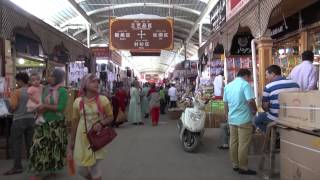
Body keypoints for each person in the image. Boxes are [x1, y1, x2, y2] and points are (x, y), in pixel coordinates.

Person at [69, 74, 113, 180]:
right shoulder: (77, 102)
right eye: (93, 81)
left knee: (95, 167)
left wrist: (101, 124)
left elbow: (111, 117)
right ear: (85, 84)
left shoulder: (103, 100)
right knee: (81, 169)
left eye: (97, 81)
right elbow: (74, 122)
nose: (97, 83)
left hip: (96, 138)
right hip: (82, 138)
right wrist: (72, 141)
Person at [29, 69, 68, 180]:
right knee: (38, 146)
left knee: (54, 147)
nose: (48, 78)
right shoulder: (45, 89)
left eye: (51, 76)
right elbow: (40, 102)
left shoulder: (62, 91)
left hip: (56, 124)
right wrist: (37, 108)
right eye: (48, 76)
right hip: (42, 122)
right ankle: (38, 171)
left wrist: (45, 106)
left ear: (58, 78)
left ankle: (52, 170)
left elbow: (61, 107)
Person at [223, 69, 258, 175]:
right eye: (250, 77)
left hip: (232, 119)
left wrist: (227, 116)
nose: (250, 79)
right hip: (244, 119)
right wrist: (255, 110)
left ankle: (235, 165)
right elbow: (250, 100)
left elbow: (225, 103)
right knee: (243, 144)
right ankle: (243, 167)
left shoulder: (228, 86)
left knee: (233, 142)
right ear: (246, 76)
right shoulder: (245, 85)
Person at [4, 73, 34, 176]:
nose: (16, 83)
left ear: (21, 81)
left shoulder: (16, 92)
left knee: (16, 144)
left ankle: (17, 167)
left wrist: (7, 106)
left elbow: (13, 107)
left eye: (17, 81)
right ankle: (32, 165)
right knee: (30, 143)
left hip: (19, 120)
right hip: (31, 119)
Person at [255, 65, 300, 132]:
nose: (266, 77)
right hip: (294, 116)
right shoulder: (295, 84)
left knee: (257, 120)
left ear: (273, 74)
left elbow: (265, 106)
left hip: (276, 117)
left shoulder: (269, 87)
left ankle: (271, 136)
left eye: (266, 75)